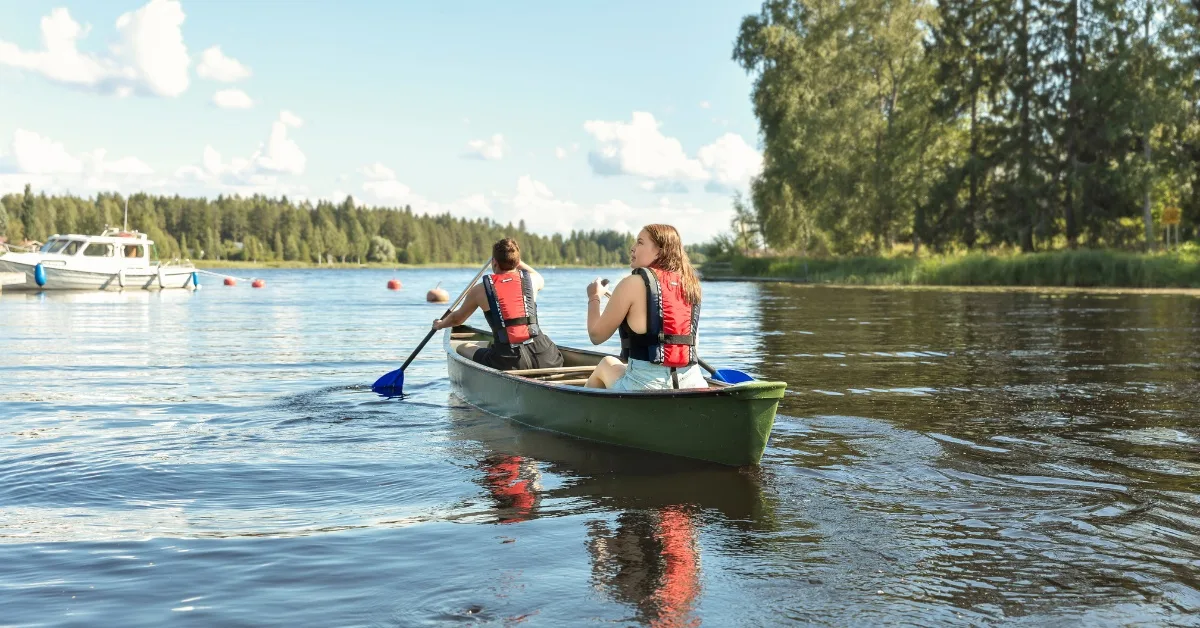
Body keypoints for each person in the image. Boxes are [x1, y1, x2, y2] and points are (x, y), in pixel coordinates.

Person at [584, 224, 706, 390]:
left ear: (660, 251)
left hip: (646, 386)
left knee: (606, 363)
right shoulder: (691, 284)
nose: (632, 248)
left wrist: (594, 297)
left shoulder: (632, 283)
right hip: (693, 382)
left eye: (640, 242)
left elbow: (596, 336)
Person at [433, 238, 564, 371]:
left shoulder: (479, 290)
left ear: (494, 262)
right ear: (517, 261)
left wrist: (440, 324)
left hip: (506, 361)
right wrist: (514, 259)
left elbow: (457, 320)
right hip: (546, 357)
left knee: (462, 347)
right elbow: (534, 273)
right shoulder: (533, 280)